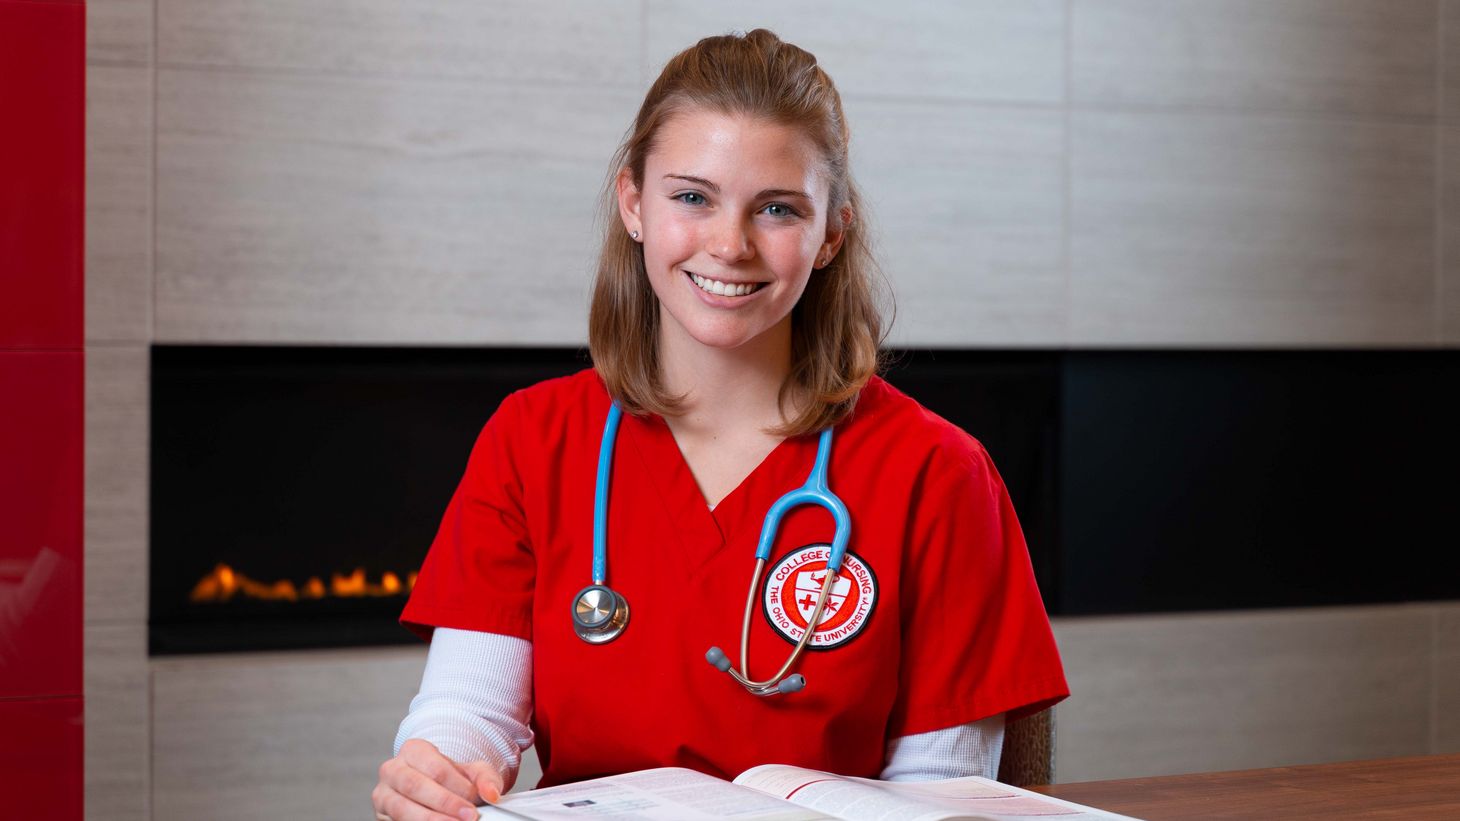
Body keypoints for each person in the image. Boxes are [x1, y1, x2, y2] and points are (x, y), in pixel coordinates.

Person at [371, 29, 1067, 821]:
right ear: (635, 204)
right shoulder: (534, 437)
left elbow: (940, 793)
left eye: (776, 208)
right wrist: (438, 773)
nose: (729, 245)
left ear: (831, 233)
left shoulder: (937, 471)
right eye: (692, 196)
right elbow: (469, 714)